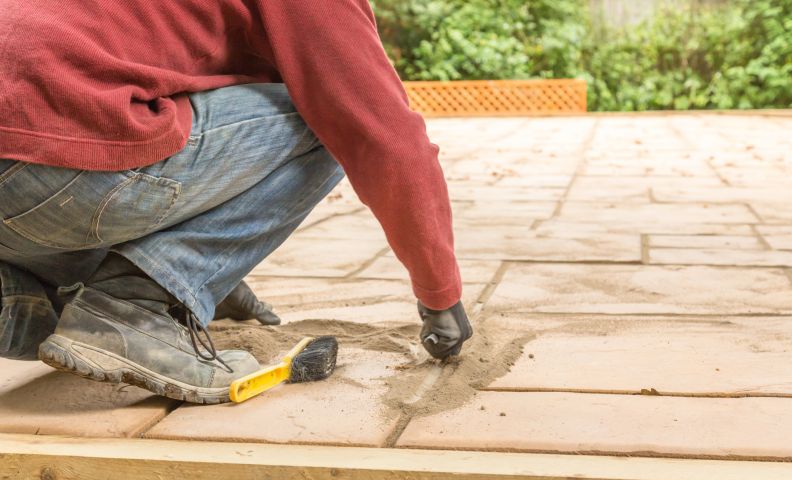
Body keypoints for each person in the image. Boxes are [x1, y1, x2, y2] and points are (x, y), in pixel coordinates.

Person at [0, 1, 473, 404]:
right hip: (49, 161)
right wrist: (440, 294)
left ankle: (19, 300)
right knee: (326, 122)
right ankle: (132, 308)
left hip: (26, 151)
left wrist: (213, 279)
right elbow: (385, 135)